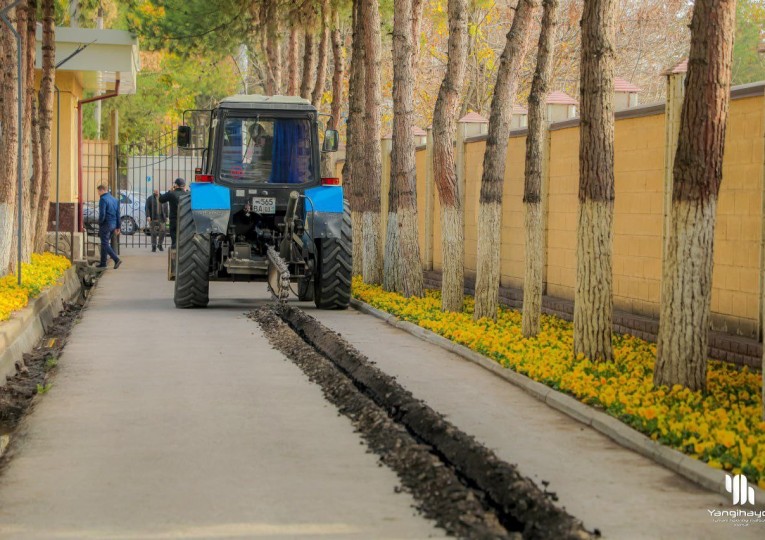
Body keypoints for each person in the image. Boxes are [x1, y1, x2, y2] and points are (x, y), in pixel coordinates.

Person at [96, 185, 122, 269]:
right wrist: (118, 227)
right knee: (105, 243)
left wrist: (100, 223)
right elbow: (118, 214)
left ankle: (116, 259)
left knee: (104, 243)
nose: (98, 193)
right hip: (113, 224)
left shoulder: (103, 199)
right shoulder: (115, 199)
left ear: (101, 190)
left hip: (106, 224)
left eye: (98, 191)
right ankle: (103, 263)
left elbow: (102, 214)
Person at [159, 178, 188, 248]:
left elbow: (161, 199)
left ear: (175, 185)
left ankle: (175, 249)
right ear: (184, 185)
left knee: (174, 238)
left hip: (174, 219)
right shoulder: (187, 194)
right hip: (186, 220)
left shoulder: (171, 193)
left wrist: (170, 190)